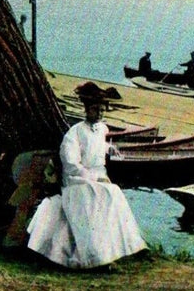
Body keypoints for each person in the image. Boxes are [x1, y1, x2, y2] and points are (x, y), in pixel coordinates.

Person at [25, 97, 148, 268]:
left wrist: (108, 149)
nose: (99, 113)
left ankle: (121, 248)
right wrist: (92, 177)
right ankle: (95, 256)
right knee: (95, 194)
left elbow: (97, 147)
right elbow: (71, 162)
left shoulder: (102, 129)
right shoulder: (74, 133)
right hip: (76, 180)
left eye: (102, 110)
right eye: (95, 109)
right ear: (86, 110)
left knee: (114, 193)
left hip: (97, 176)